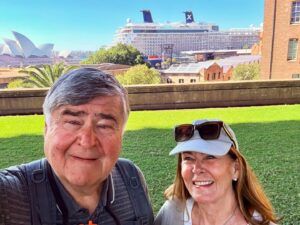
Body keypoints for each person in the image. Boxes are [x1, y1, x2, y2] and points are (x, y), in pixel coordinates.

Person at [0, 68, 153, 225]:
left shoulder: (131, 179)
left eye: (104, 125)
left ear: (121, 134)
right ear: (46, 129)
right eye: (72, 122)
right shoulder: (9, 196)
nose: (87, 141)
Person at [154, 119, 279, 225]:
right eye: (188, 158)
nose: (197, 169)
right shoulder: (172, 213)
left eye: (210, 157)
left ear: (236, 169)